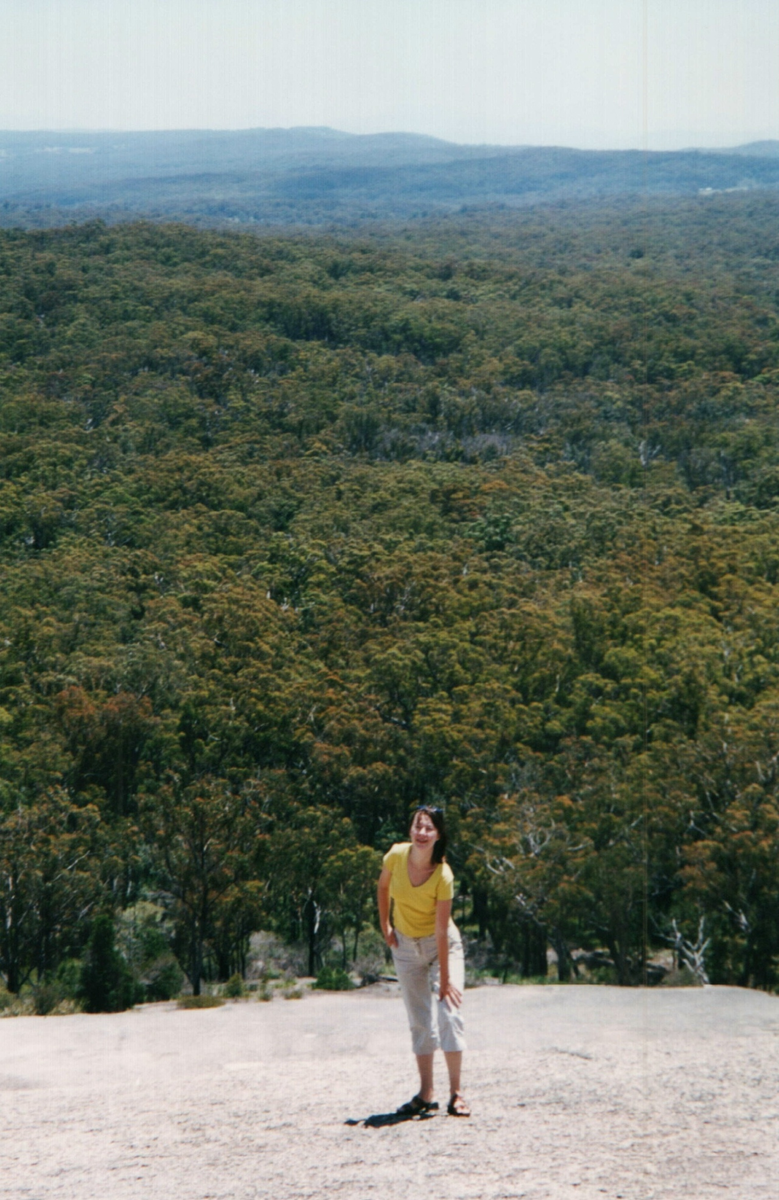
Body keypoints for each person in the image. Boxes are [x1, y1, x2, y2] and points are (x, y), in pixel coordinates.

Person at [377, 805, 470, 1117]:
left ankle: (456, 1093)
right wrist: (385, 925)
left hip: (440, 944)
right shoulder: (395, 856)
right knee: (419, 1019)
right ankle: (425, 1092)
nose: (422, 833)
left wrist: (444, 982)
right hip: (405, 944)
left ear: (438, 834)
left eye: (429, 828)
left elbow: (442, 930)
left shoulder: (443, 874)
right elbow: (383, 886)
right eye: (418, 826)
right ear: (410, 830)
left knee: (449, 1011)